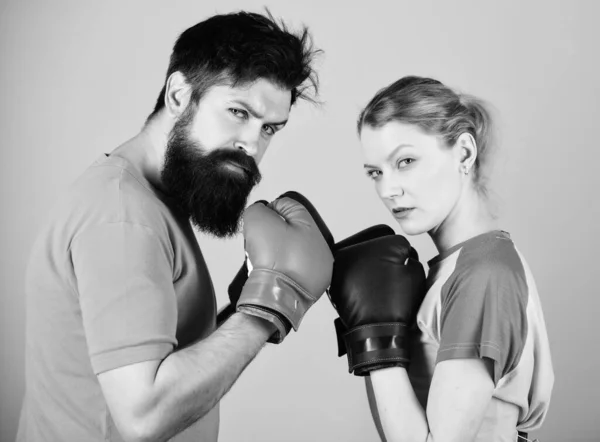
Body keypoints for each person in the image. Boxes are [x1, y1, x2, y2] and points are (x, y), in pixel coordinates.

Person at [16, 11, 334, 442]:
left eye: (269, 128)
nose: (252, 144)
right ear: (179, 94)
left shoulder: (143, 200)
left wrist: (246, 302)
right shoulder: (123, 217)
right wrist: (273, 303)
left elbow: (165, 357)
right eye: (238, 112)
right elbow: (144, 416)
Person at [326, 76, 554, 441]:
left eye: (406, 161)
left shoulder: (483, 274)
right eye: (375, 173)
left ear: (464, 153)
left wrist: (374, 339)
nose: (388, 189)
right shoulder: (455, 270)